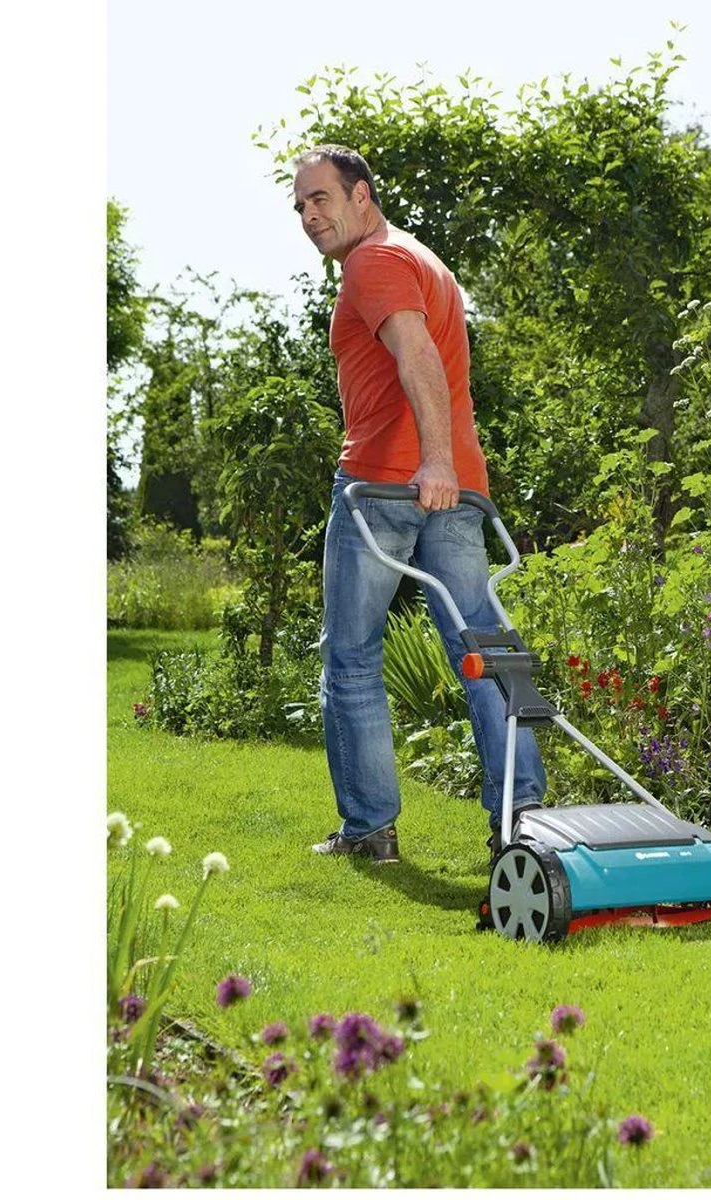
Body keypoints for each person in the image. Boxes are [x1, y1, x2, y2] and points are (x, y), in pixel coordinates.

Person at [292, 145, 546, 865]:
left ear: (362, 195)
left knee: (351, 658)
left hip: (383, 485)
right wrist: (445, 467)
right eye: (300, 206)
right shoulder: (422, 258)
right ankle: (524, 821)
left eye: (321, 198)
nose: (309, 215)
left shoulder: (372, 263)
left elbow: (417, 356)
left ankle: (370, 830)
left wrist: (431, 458)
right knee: (486, 651)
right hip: (456, 489)